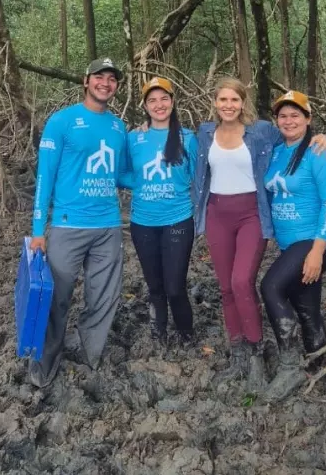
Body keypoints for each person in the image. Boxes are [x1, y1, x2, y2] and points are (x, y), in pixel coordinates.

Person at [193, 78, 326, 392]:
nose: (228, 105)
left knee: (242, 281)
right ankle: (238, 355)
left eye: (234, 99)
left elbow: (295, 133)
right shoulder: (204, 133)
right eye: (222, 99)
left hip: (251, 214)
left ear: (243, 102)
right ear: (215, 102)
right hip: (217, 214)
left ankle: (256, 354)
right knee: (226, 288)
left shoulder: (261, 131)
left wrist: (320, 136)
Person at [28, 57, 128, 388]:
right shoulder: (62, 121)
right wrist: (38, 231)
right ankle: (45, 360)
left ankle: (89, 352)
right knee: (56, 297)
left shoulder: (118, 128)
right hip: (68, 225)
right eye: (99, 76)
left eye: (112, 79)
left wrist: (163, 175)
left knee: (103, 297)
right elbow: (45, 177)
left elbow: (121, 175)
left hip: (108, 226)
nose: (105, 83)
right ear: (86, 81)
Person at [259, 90, 326, 402]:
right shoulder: (276, 151)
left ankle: (289, 365)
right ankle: (320, 364)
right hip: (290, 243)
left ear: (308, 119)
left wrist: (317, 252)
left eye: (295, 115)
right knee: (306, 306)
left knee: (271, 287)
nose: (289, 120)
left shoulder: (319, 152)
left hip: (317, 240)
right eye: (283, 115)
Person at [126, 77, 198, 350]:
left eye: (164, 98)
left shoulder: (188, 138)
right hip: (142, 222)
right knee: (154, 286)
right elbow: (120, 172)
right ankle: (159, 334)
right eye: (152, 100)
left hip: (178, 219)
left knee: (175, 286)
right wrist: (139, 183)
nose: (159, 105)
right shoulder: (134, 138)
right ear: (145, 106)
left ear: (173, 101)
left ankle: (186, 334)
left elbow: (199, 176)